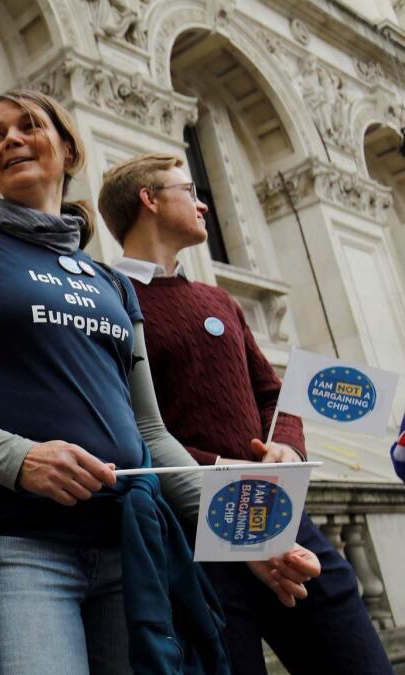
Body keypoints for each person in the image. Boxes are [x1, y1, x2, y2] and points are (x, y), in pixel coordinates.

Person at [0, 90, 316, 675]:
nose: (9, 140)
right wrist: (22, 459)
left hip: (129, 550)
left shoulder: (115, 285)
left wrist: (247, 536)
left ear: (68, 148)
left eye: (29, 125)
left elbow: (150, 433)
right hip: (19, 548)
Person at [98, 153, 391, 675]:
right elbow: (126, 425)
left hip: (279, 513)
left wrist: (289, 445)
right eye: (188, 190)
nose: (202, 202)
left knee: (358, 659)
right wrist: (225, 478)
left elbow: (274, 393)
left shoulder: (218, 300)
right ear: (149, 199)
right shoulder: (108, 301)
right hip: (189, 534)